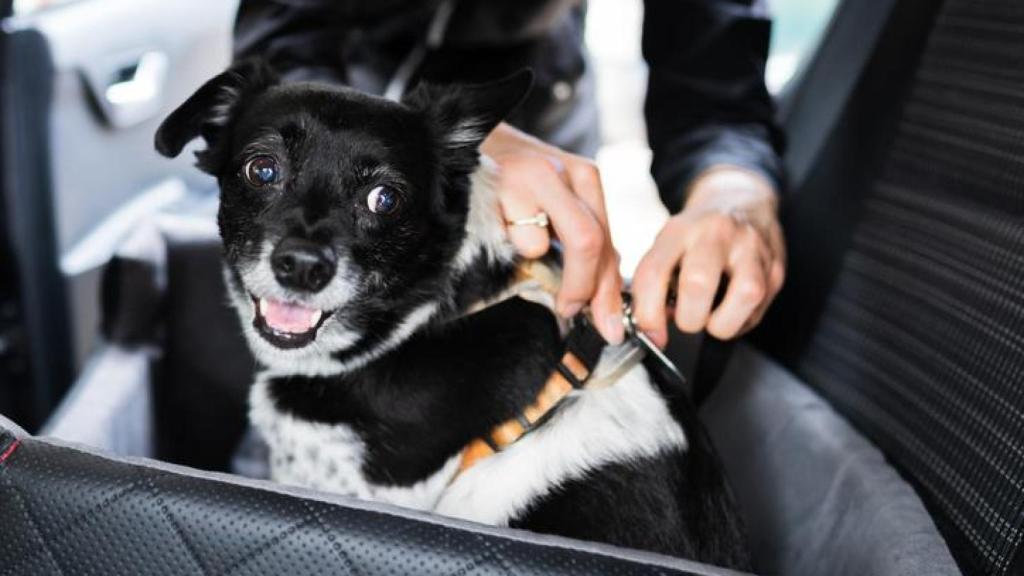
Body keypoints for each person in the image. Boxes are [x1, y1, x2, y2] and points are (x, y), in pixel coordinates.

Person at [233, 0, 785, 348]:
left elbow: (716, 90)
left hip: (542, 98)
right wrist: (422, 146)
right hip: (348, 81)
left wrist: (732, 195)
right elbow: (286, 34)